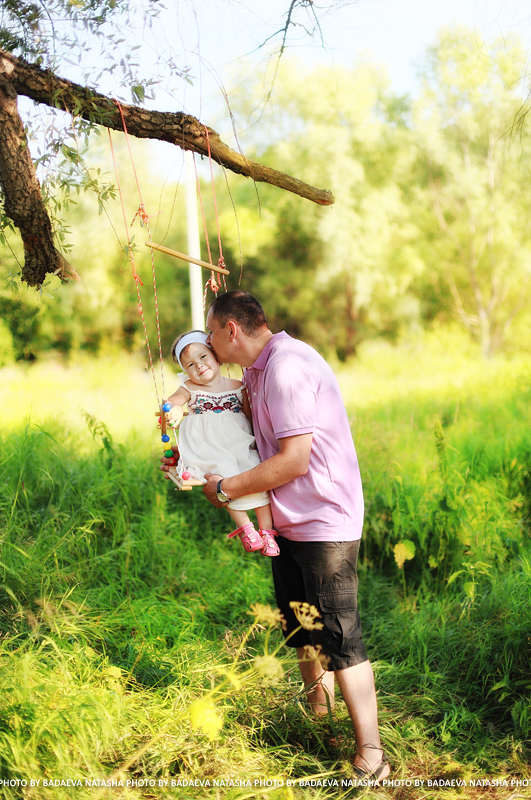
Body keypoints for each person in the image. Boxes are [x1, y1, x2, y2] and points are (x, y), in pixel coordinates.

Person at [161, 292, 390, 782]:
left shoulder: (286, 368)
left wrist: (226, 488)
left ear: (230, 330)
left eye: (210, 333)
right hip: (286, 521)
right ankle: (321, 723)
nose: (207, 344)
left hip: (323, 521)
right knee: (302, 626)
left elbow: (294, 461)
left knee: (340, 635)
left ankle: (372, 755)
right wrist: (192, 459)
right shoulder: (255, 373)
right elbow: (234, 438)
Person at [164, 329, 279, 557]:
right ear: (185, 371)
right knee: (223, 476)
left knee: (256, 474)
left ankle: (267, 533)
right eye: (190, 364)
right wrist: (174, 408)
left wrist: (257, 442)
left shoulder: (238, 386)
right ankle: (247, 529)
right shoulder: (190, 388)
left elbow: (249, 417)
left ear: (215, 356)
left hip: (238, 444)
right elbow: (173, 401)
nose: (199, 366)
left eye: (203, 357)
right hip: (209, 449)